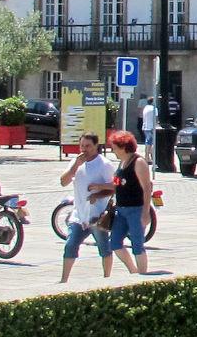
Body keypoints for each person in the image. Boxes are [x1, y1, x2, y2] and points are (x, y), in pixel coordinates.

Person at [59, 131, 120, 282]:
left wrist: (98, 192)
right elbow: (63, 181)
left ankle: (107, 278)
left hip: (97, 215)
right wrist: (75, 166)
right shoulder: (76, 162)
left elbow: (116, 186)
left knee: (104, 247)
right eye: (81, 146)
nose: (84, 149)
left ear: (96, 146)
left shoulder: (104, 164)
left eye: (88, 146)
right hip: (79, 215)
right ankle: (64, 280)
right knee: (70, 245)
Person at [104, 130, 154, 275]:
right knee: (114, 243)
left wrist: (145, 213)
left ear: (123, 146)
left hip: (136, 209)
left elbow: (146, 188)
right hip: (121, 210)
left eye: (114, 147)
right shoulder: (122, 162)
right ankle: (133, 270)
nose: (113, 150)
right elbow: (117, 184)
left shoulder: (138, 162)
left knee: (137, 244)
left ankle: (143, 275)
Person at [140, 95, 158, 162]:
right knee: (153, 143)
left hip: (145, 127)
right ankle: (152, 157)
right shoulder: (154, 109)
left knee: (147, 142)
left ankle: (147, 157)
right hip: (152, 127)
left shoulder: (145, 108)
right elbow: (155, 119)